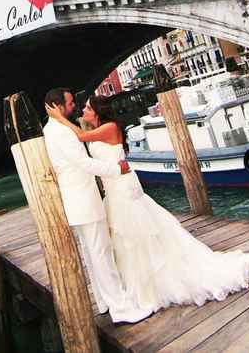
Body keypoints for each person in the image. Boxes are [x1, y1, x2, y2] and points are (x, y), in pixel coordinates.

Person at [46, 95, 249, 313]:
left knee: (135, 235)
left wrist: (59, 118)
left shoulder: (109, 128)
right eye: (80, 106)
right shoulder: (98, 129)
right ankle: (131, 289)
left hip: (122, 186)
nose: (82, 110)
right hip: (113, 189)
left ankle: (143, 289)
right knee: (125, 239)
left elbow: (81, 136)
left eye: (87, 107)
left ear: (98, 111)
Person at [43, 88, 153, 324]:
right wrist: (117, 169)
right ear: (57, 105)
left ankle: (103, 301)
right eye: (70, 103)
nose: (75, 106)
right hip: (85, 200)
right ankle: (121, 309)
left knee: (91, 253)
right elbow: (83, 163)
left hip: (76, 201)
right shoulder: (62, 131)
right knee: (101, 253)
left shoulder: (50, 130)